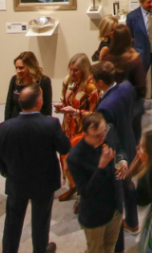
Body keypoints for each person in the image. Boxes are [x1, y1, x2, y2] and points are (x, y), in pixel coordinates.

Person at [0, 83, 71, 253]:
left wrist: (7, 172)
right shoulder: (51, 124)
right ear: (39, 103)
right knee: (41, 222)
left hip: (16, 182)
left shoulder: (5, 127)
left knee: (12, 223)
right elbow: (65, 148)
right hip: (44, 183)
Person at [66, 112, 129, 253]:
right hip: (95, 216)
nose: (103, 138)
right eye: (97, 136)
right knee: (96, 250)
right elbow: (86, 192)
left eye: (103, 133)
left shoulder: (108, 130)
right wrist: (101, 166)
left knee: (110, 246)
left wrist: (122, 160)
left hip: (115, 207)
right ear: (85, 133)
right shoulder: (75, 157)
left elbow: (119, 148)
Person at [91, 61, 140, 235]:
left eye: (93, 80)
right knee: (128, 185)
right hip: (130, 140)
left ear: (100, 83)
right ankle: (133, 221)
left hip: (118, 153)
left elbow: (109, 137)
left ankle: (128, 225)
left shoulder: (104, 107)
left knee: (120, 190)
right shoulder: (127, 87)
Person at [55, 53, 98, 201]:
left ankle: (84, 194)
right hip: (67, 126)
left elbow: (94, 114)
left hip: (82, 129)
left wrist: (76, 112)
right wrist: (62, 107)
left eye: (76, 70)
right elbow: (66, 99)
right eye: (70, 70)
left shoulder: (91, 87)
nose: (72, 73)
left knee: (80, 161)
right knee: (65, 158)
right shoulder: (69, 81)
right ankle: (73, 186)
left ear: (84, 70)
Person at [100, 25, 147, 141]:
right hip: (131, 105)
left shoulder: (106, 57)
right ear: (128, 39)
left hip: (111, 104)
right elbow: (141, 87)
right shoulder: (135, 60)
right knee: (133, 140)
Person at [4, 50, 53, 118]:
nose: (18, 71)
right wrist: (7, 124)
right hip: (16, 120)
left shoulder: (44, 81)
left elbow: (47, 106)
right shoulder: (14, 80)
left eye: (21, 68)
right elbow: (9, 105)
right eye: (16, 68)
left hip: (37, 122)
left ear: (30, 67)